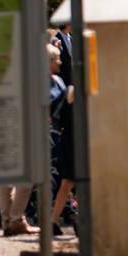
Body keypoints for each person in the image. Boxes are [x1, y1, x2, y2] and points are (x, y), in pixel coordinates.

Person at [46, 43, 78, 237]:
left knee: (67, 183)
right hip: (76, 142)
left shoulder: (68, 89)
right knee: (72, 183)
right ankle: (69, 218)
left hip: (67, 140)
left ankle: (53, 220)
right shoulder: (79, 93)